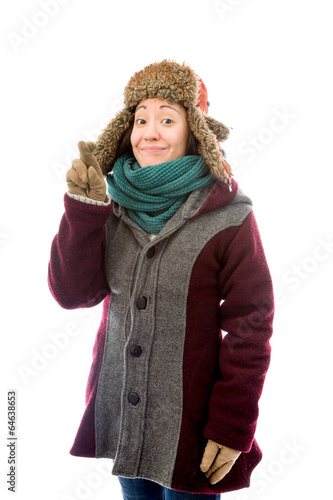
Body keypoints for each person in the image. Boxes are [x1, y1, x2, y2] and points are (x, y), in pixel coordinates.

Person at [48, 60, 274, 499]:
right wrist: (81, 209)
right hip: (124, 423)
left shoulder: (231, 217)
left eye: (167, 118)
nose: (149, 132)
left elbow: (252, 324)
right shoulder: (111, 206)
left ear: (196, 132)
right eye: (140, 118)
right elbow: (73, 294)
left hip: (194, 434)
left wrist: (232, 426)